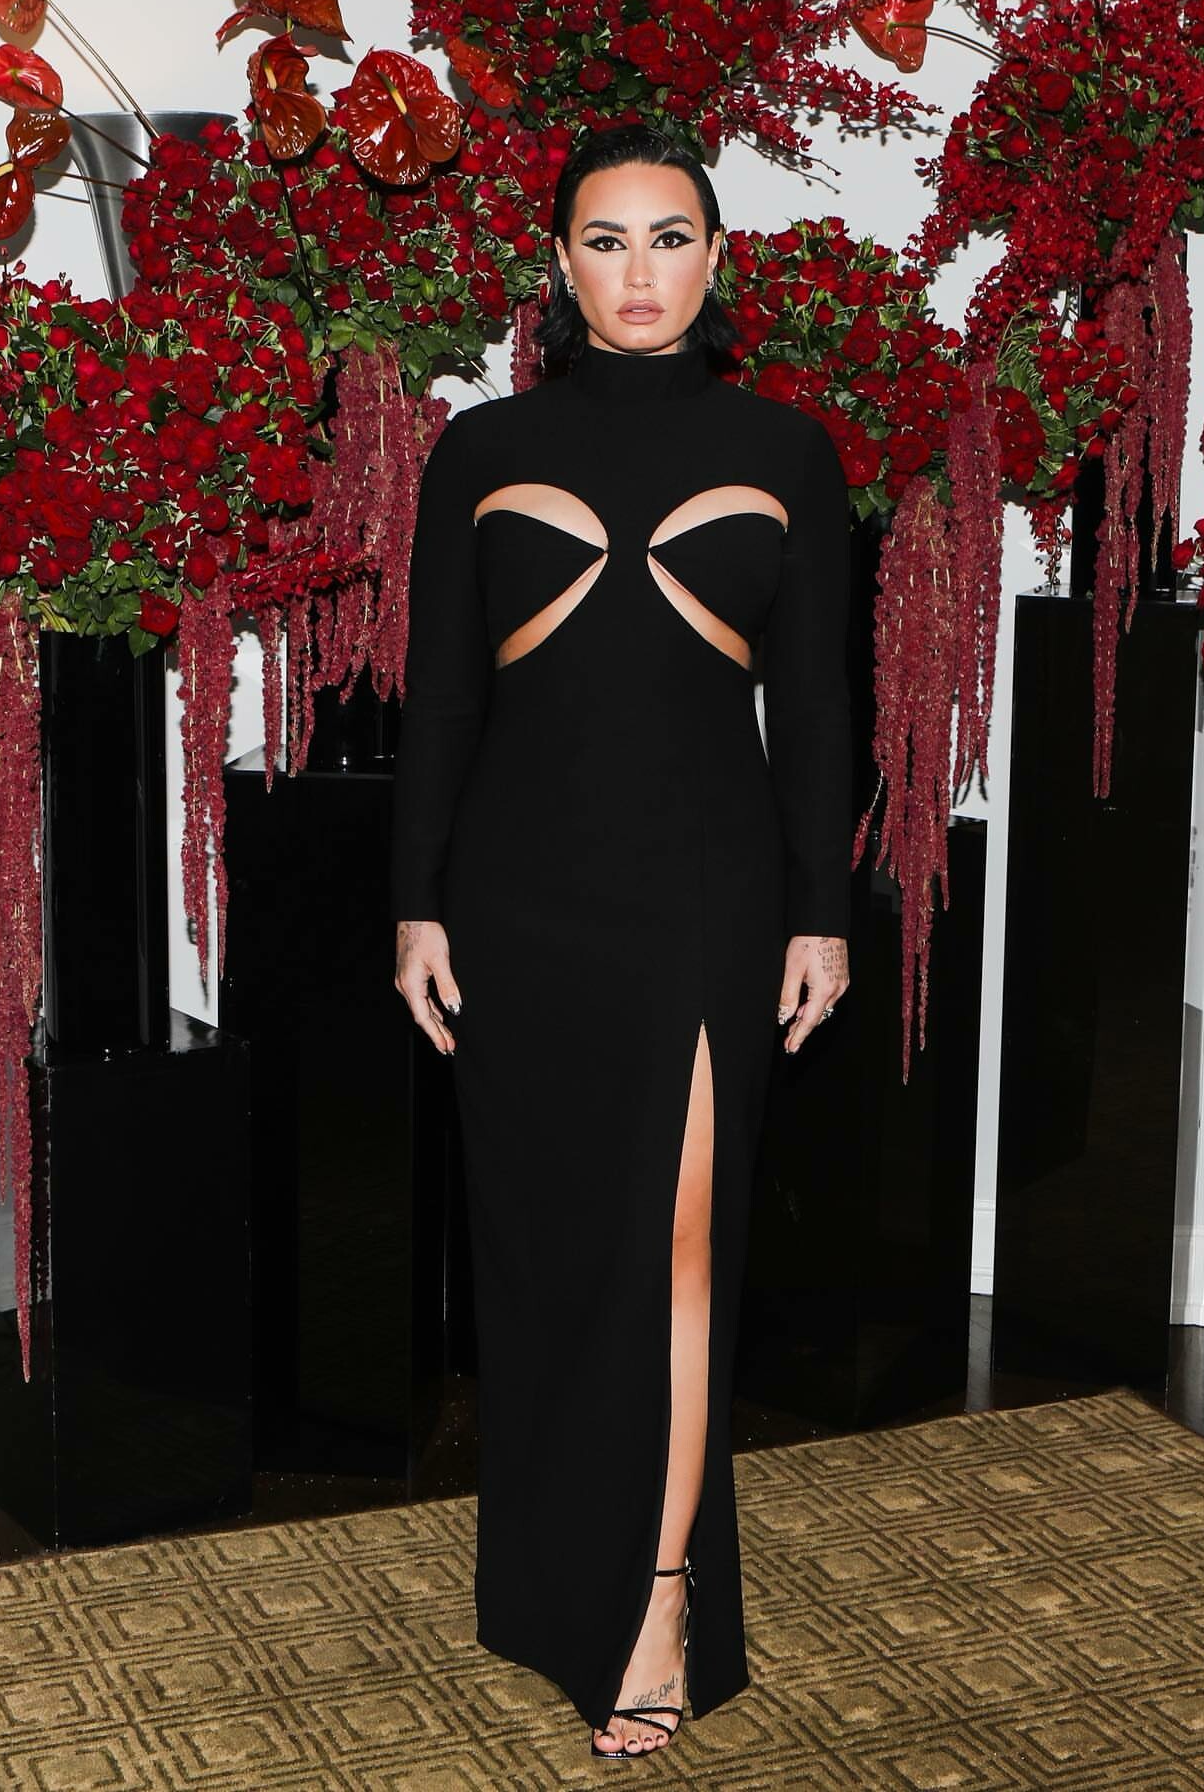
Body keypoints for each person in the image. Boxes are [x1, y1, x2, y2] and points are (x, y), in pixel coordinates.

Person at [390, 121, 852, 1760]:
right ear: (560, 263)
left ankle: (660, 1601)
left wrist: (820, 910)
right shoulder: (480, 447)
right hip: (516, 909)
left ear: (717, 260)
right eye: (607, 239)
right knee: (543, 1256)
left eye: (670, 239)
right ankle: (543, 1585)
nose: (640, 272)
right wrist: (416, 901)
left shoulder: (788, 449)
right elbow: (443, 696)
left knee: (679, 1252)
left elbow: (818, 710)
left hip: (704, 909)